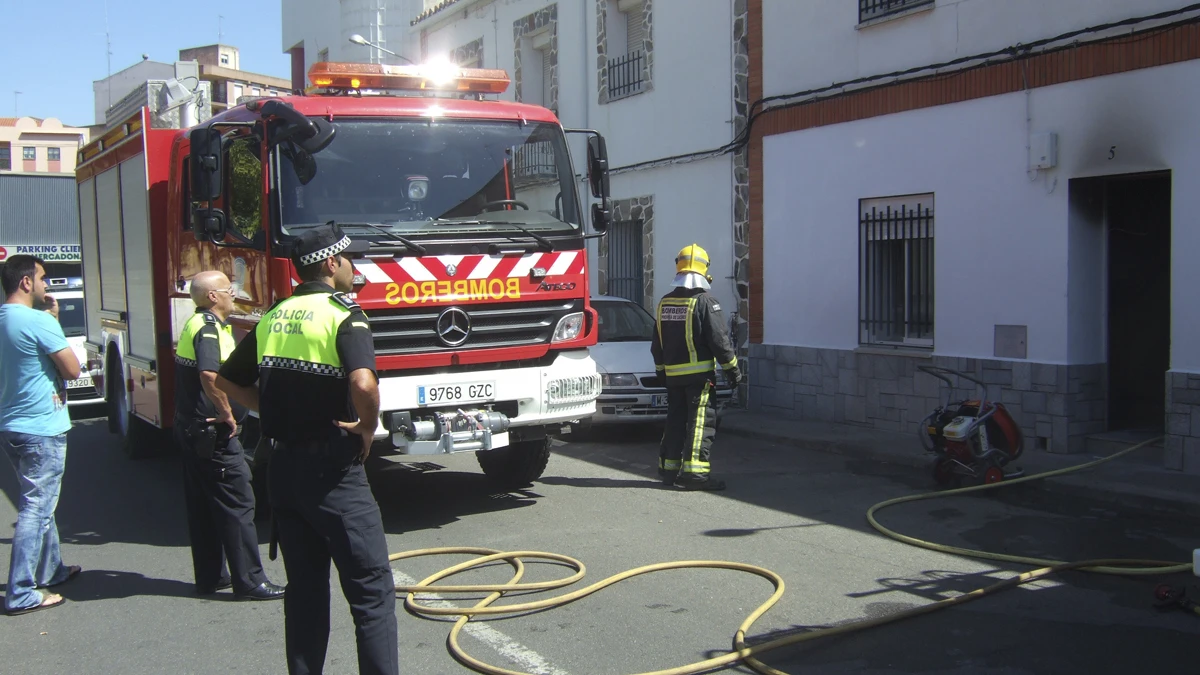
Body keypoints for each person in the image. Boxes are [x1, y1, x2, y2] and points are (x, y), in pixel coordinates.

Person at [215, 223, 398, 675]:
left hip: (283, 469)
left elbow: (225, 380)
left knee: (306, 592)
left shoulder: (275, 315)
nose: (354, 267)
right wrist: (368, 427)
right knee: (371, 592)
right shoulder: (345, 314)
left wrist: (271, 413)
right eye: (350, 259)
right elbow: (363, 382)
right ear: (332, 264)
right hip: (333, 472)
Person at [174, 270, 285, 601]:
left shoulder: (197, 324)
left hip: (192, 430)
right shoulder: (208, 329)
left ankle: (211, 577)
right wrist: (226, 412)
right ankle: (250, 581)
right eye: (228, 288)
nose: (233, 293)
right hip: (212, 433)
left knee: (204, 506)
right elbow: (210, 374)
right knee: (238, 502)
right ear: (212, 296)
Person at [0, 255, 83, 615]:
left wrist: (51, 320)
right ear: (26, 283)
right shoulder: (36, 321)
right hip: (41, 427)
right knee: (37, 507)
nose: (48, 285)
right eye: (44, 278)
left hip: (11, 424)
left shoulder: (7, 318)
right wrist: (53, 325)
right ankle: (20, 590)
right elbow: (72, 369)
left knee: (37, 500)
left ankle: (52, 568)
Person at [650, 244, 743, 491]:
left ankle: (669, 471)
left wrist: (661, 371)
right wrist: (733, 370)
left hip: (672, 378)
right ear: (704, 271)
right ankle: (695, 475)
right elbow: (719, 341)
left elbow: (656, 344)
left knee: (675, 421)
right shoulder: (704, 302)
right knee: (701, 423)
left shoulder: (664, 303)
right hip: (699, 379)